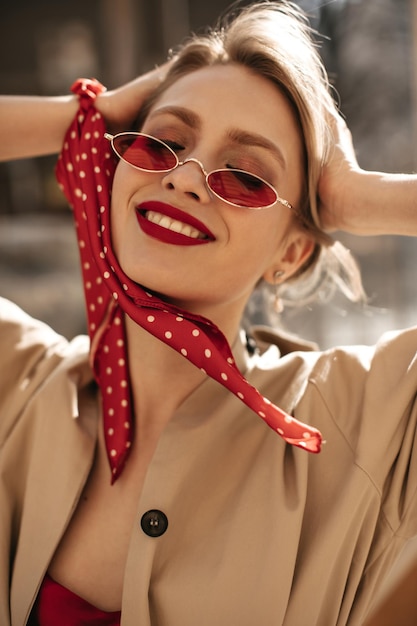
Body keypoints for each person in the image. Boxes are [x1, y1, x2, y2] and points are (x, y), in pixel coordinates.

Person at [1, 1, 417, 624]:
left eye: (246, 178)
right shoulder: (16, 383)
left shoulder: (372, 419)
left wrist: (363, 198)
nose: (188, 178)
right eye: (162, 143)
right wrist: (86, 114)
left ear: (292, 251)